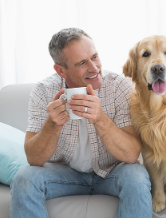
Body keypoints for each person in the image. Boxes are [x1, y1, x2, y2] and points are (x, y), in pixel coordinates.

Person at [10, 28, 152, 218]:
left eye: (95, 57)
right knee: (24, 178)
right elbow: (34, 159)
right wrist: (53, 125)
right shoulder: (43, 91)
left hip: (111, 172)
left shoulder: (118, 86)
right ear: (61, 70)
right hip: (64, 174)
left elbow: (132, 154)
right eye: (82, 63)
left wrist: (100, 119)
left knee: (136, 176)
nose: (94, 68)